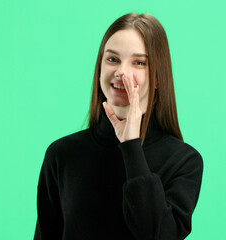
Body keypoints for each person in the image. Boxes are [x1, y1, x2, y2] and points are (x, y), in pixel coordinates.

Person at [34, 13, 203, 240]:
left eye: (139, 62)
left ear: (159, 77)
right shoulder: (61, 154)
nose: (121, 72)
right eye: (112, 59)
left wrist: (131, 145)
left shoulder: (184, 161)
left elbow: (159, 235)